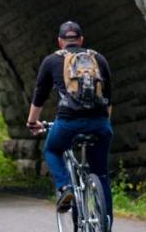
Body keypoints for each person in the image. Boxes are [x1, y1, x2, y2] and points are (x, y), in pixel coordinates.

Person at [26, 21, 114, 219]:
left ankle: (65, 187)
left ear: (60, 42)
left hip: (68, 122)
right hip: (99, 123)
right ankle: (106, 226)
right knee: (101, 175)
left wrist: (33, 122)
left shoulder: (51, 61)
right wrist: (103, 123)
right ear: (81, 40)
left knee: (52, 149)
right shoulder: (99, 59)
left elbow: (40, 94)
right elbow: (109, 95)